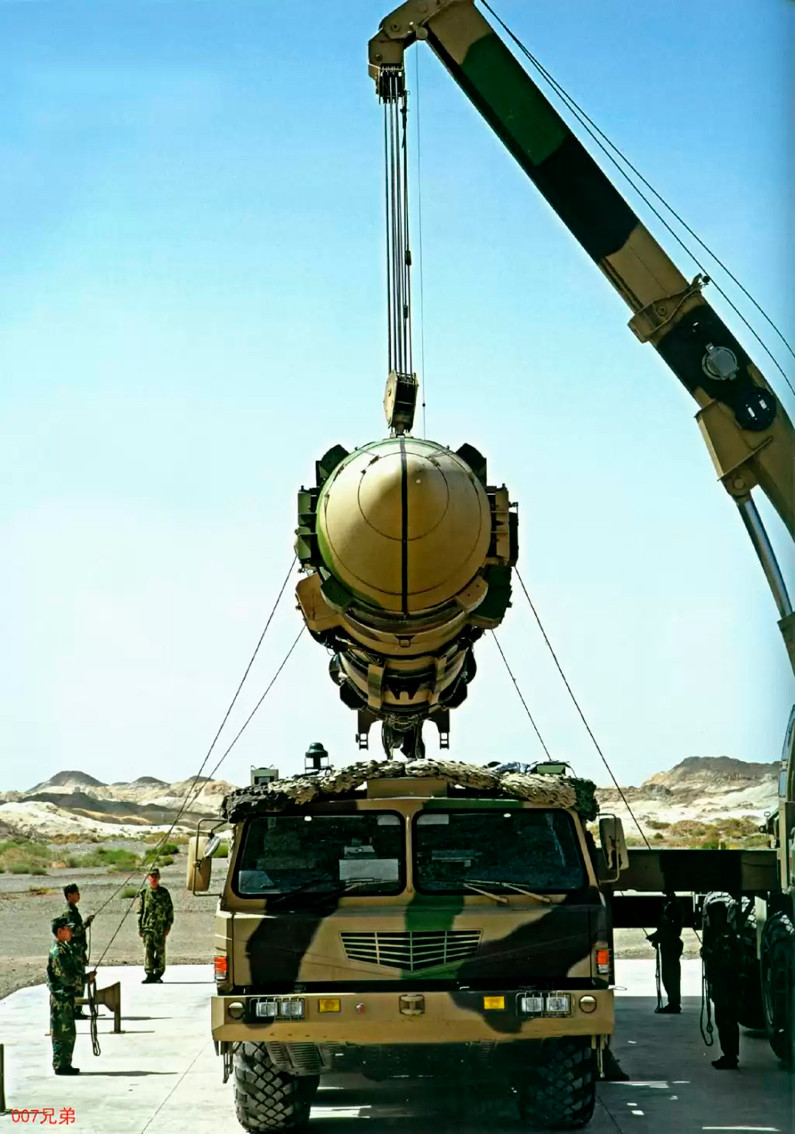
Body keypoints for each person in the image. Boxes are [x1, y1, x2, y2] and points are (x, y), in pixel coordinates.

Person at [701, 900, 740, 1070]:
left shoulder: (724, 934)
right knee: (722, 1021)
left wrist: (710, 954)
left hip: (726, 987)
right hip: (722, 986)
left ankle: (730, 1056)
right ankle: (728, 1055)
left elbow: (727, 962)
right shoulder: (719, 933)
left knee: (726, 1021)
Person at [46, 916, 84, 1075]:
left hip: (64, 998)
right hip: (61, 999)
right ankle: (61, 1065)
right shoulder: (59, 951)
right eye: (67, 929)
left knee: (67, 1032)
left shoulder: (63, 948)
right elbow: (66, 977)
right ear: (60, 931)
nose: (70, 931)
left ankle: (65, 1064)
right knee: (62, 1033)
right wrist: (84, 979)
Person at [648, 890, 683, 1014]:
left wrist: (658, 936)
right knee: (667, 976)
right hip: (667, 943)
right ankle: (672, 1002)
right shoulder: (669, 904)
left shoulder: (673, 906)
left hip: (671, 944)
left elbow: (670, 928)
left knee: (671, 976)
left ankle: (674, 1003)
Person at [62, 883, 94, 1018]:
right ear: (69, 895)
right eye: (76, 893)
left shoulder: (73, 910)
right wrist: (86, 923)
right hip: (74, 952)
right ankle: (76, 1009)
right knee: (78, 980)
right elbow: (73, 931)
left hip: (78, 951)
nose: (79, 895)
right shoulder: (69, 912)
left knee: (79, 979)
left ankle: (77, 1009)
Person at [138, 868, 174, 983]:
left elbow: (169, 910)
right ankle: (149, 974)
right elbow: (140, 912)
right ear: (148, 878)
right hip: (147, 928)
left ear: (159, 878)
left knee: (160, 952)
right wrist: (140, 927)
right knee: (148, 952)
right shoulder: (144, 893)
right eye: (151, 876)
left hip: (160, 928)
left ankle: (158, 974)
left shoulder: (164, 893)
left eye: (155, 876)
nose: (153, 879)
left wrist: (168, 926)